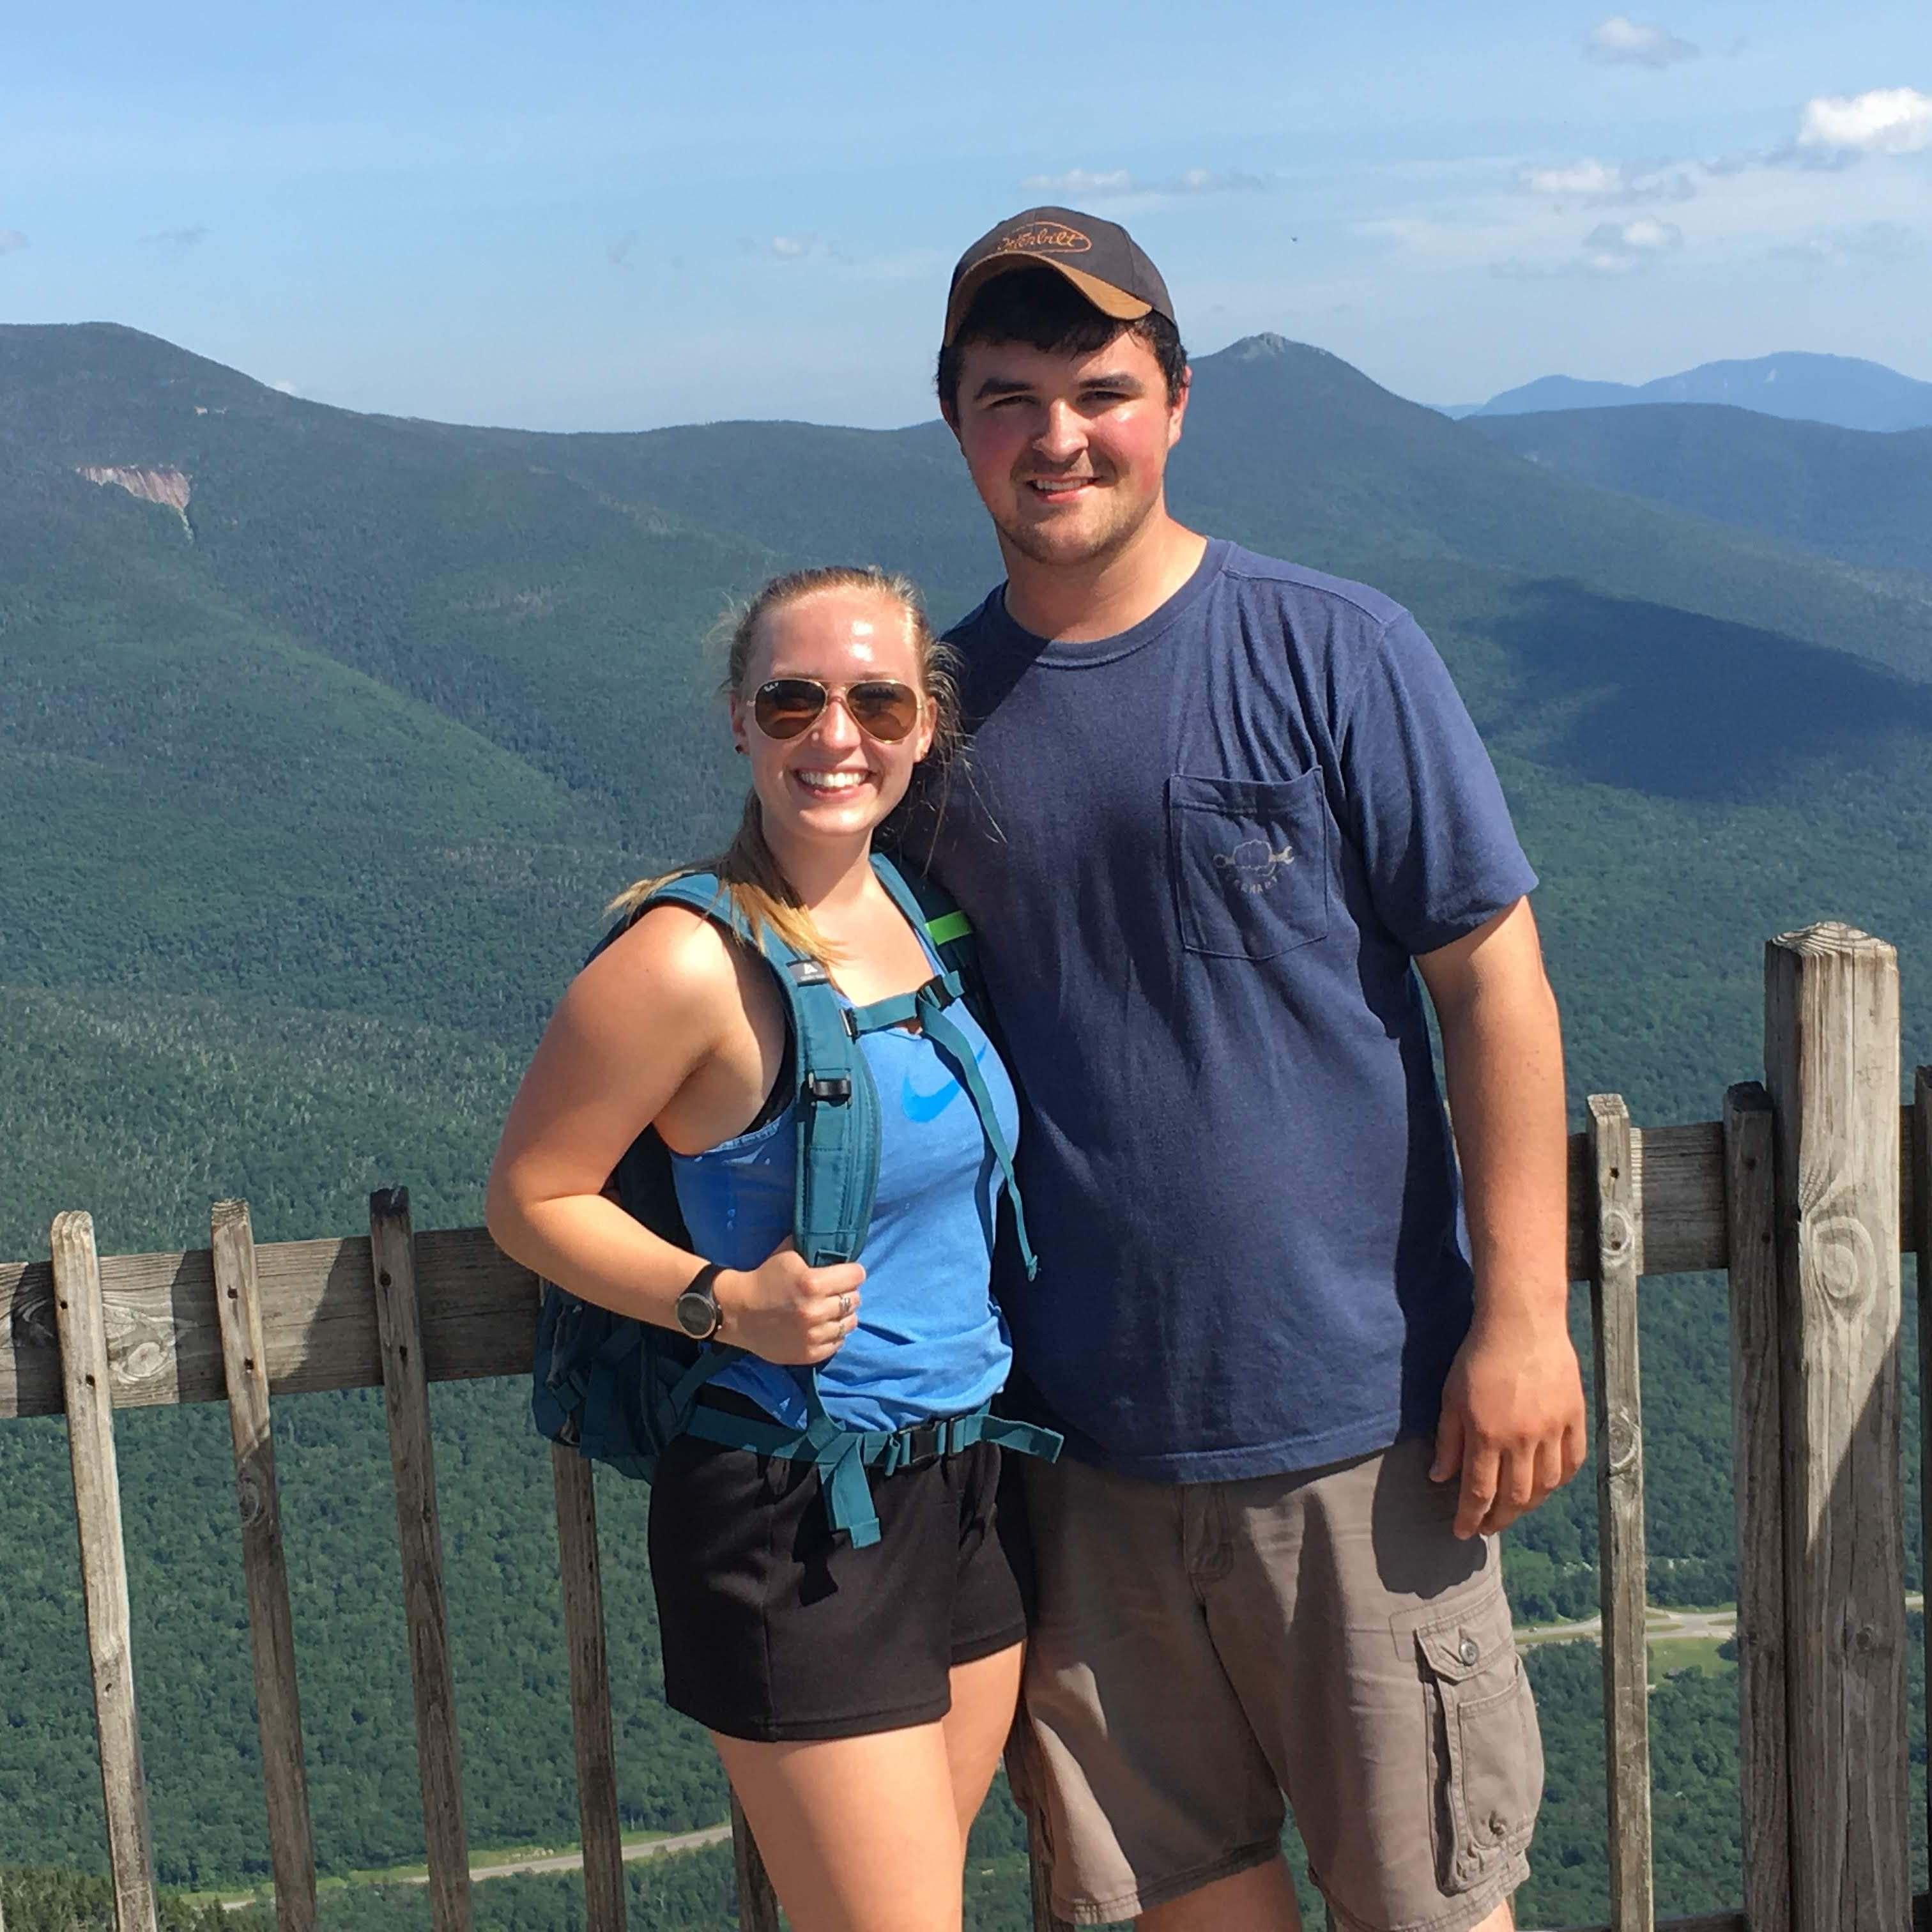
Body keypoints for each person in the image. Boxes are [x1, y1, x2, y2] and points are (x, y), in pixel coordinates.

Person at [912, 209, 1590, 1932]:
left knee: (1433, 1904)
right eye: (1011, 396)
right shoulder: (926, 720)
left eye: (1101, 389)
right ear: (956, 420)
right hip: (1082, 1463)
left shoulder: (1334, 652)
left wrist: (1522, 1315)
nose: (1057, 433)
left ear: (1178, 403)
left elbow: (1493, 982)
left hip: (1358, 1439)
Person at [485, 565, 1047, 1932]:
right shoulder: (689, 959)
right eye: (793, 700)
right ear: (739, 721)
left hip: (963, 1489)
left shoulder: (910, 915)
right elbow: (530, 1197)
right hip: (796, 1514)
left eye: (876, 701)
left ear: (926, 727)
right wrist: (724, 1303)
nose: (834, 734)